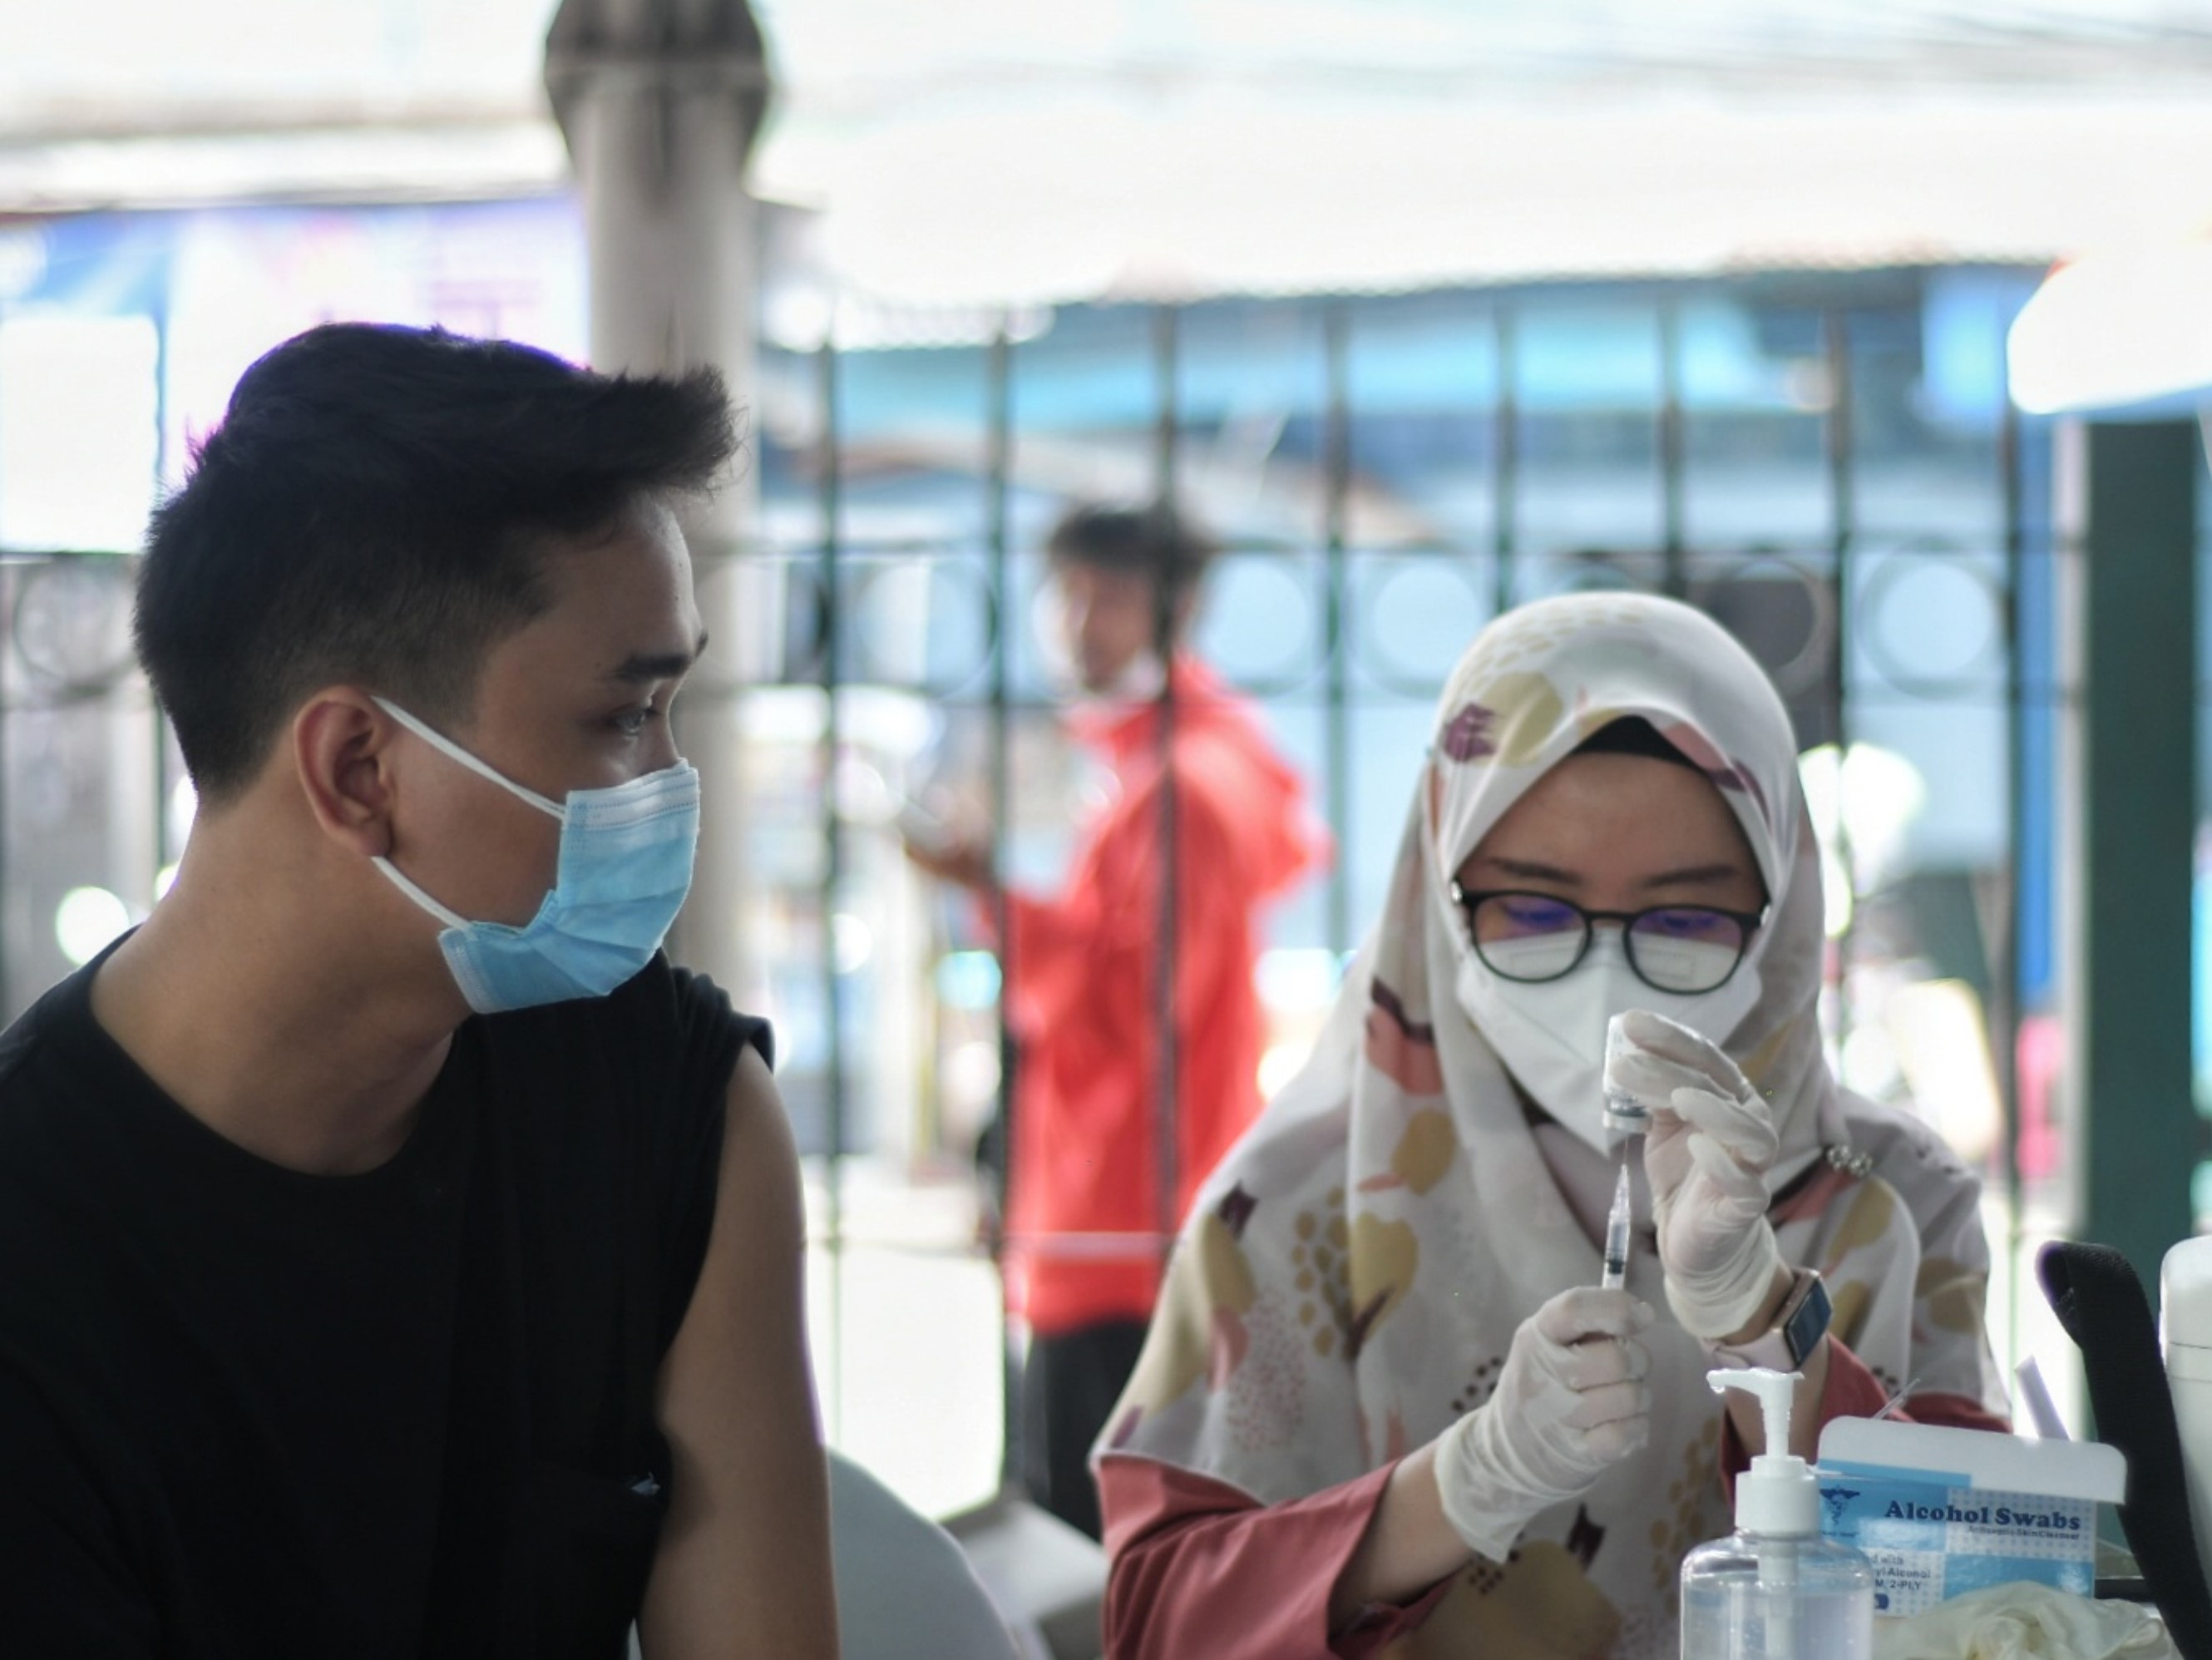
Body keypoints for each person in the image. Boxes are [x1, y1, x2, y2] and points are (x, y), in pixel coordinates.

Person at [0, 324, 837, 1659]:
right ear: (360, 772)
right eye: (621, 719)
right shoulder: (38, 1269)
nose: (672, 785)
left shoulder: (672, 1119)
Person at [1094, 592, 2009, 1659]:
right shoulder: (1294, 1204)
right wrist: (1461, 1483)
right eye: (1528, 909)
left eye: (1683, 918)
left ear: (1781, 909)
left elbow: (1997, 1590)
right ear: (1438, 895)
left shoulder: (1888, 1196)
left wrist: (1767, 1323)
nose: (1606, 975)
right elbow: (1159, 1619)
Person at [905, 501, 1327, 1539]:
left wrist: (983, 890)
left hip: (1122, 1203)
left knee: (1095, 1541)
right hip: (1133, 1193)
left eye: (1108, 597)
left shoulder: (1179, 784)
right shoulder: (1186, 763)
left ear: (1179, 608)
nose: (1077, 623)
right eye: (1069, 595)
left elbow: (1132, 1011)